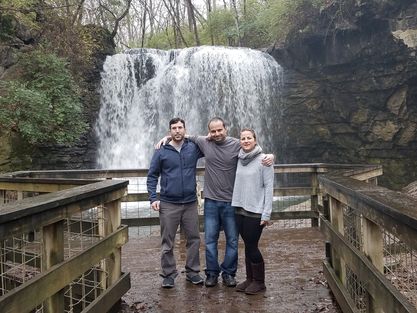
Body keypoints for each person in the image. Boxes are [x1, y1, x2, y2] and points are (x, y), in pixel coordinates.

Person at [187, 117, 274, 288]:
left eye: (220, 130)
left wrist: (271, 156)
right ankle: (212, 273)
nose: (217, 133)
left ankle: (229, 273)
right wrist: (166, 138)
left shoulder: (237, 145)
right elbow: (186, 136)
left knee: (232, 241)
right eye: (213, 131)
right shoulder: (205, 142)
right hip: (211, 201)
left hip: (231, 203)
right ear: (209, 133)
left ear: (226, 129)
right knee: (210, 240)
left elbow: (256, 152)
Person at [147, 117, 204, 288]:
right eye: (174, 128)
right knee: (167, 241)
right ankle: (168, 274)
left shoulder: (193, 147)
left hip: (190, 203)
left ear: (185, 129)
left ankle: (193, 272)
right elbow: (152, 176)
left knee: (194, 238)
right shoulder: (161, 150)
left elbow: (212, 143)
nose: (177, 130)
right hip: (168, 203)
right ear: (169, 131)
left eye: (180, 127)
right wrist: (152, 198)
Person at [232, 128, 274, 295]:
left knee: (252, 245)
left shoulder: (264, 160)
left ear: (255, 140)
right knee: (247, 245)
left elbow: (269, 187)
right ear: (240, 141)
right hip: (240, 209)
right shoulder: (239, 158)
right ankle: (250, 279)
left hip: (255, 211)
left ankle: (260, 282)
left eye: (249, 138)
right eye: (243, 138)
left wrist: (267, 213)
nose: (246, 141)